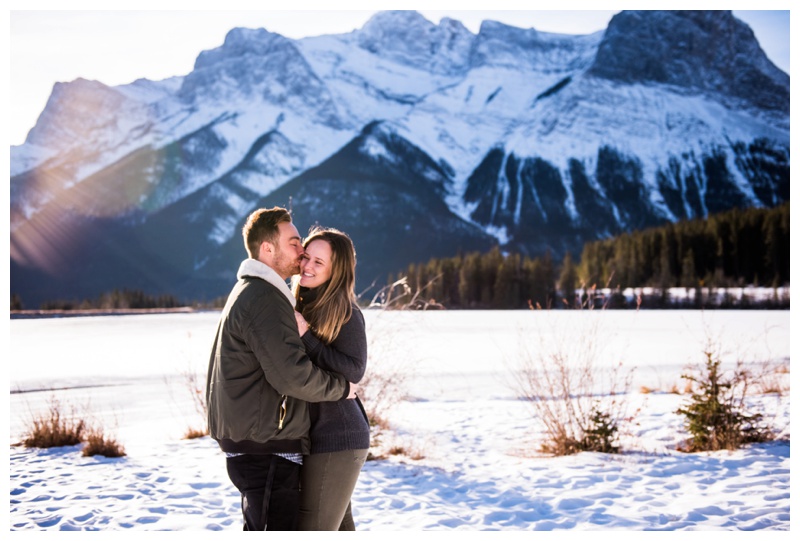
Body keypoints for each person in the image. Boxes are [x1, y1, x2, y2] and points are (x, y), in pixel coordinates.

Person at [205, 207, 358, 531]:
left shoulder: (255, 292)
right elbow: (293, 375)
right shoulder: (264, 298)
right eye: (294, 242)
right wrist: (341, 389)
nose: (301, 252)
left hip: (259, 443)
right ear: (267, 249)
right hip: (266, 447)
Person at [291, 227, 370, 531]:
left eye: (319, 262)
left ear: (337, 271)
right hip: (316, 438)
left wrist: (307, 337)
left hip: (339, 437)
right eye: (306, 257)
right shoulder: (303, 304)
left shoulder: (347, 312)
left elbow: (354, 371)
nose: (307, 266)